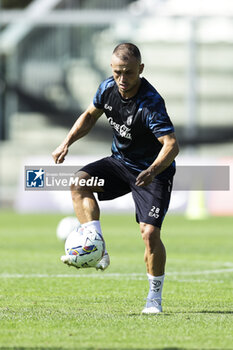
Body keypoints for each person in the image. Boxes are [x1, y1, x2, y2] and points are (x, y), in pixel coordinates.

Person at [52, 43, 179, 314]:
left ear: (140, 70)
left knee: (150, 233)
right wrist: (66, 142)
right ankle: (97, 245)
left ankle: (154, 298)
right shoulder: (107, 88)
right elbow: (89, 115)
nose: (122, 79)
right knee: (79, 181)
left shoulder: (151, 103)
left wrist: (153, 170)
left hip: (152, 172)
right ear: (112, 69)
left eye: (129, 73)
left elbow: (171, 145)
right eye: (118, 72)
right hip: (120, 164)